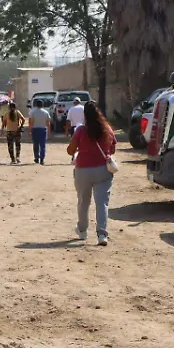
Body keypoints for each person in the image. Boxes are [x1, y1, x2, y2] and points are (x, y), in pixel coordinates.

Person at [67, 101, 116, 246]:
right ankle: (102, 235)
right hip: (103, 170)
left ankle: (82, 231)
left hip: (83, 170)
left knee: (83, 202)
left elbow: (70, 150)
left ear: (85, 115)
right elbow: (112, 149)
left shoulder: (81, 130)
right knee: (102, 203)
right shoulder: (107, 129)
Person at [28, 99, 52, 165]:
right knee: (42, 145)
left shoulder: (32, 112)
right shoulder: (45, 112)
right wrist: (49, 131)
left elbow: (31, 123)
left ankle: (36, 157)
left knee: (35, 145)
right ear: (42, 105)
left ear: (36, 105)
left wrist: (29, 131)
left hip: (35, 129)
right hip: (43, 129)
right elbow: (48, 123)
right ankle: (42, 159)